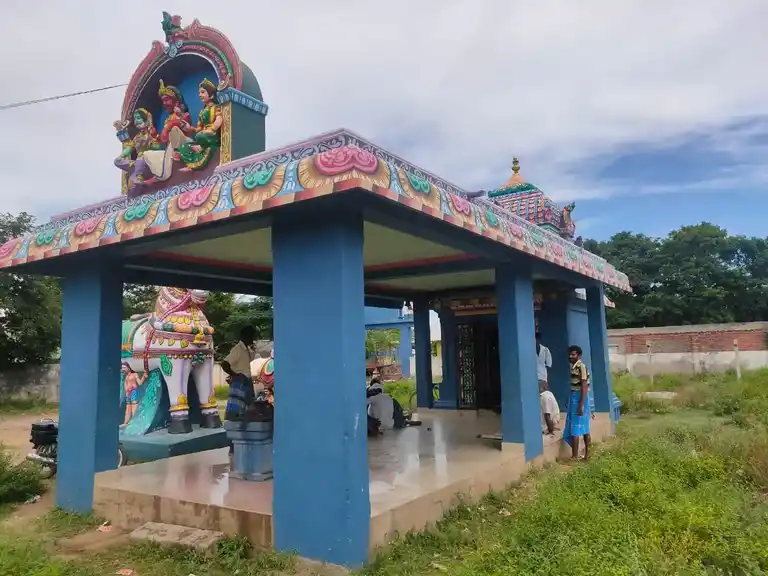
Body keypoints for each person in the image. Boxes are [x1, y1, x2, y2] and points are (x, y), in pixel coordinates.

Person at [221, 326, 258, 425]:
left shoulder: (247, 349)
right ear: (246, 336)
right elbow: (225, 364)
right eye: (252, 336)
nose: (253, 339)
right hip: (239, 383)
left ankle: (242, 429)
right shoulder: (237, 349)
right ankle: (232, 429)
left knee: (246, 409)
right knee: (236, 409)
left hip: (247, 382)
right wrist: (234, 374)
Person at [563, 345, 591, 460]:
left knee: (578, 427)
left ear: (579, 355)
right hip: (574, 397)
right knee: (582, 427)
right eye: (570, 354)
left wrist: (581, 404)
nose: (571, 356)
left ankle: (576, 456)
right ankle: (583, 456)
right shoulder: (574, 367)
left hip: (580, 398)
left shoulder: (581, 367)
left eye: (573, 354)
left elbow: (584, 386)